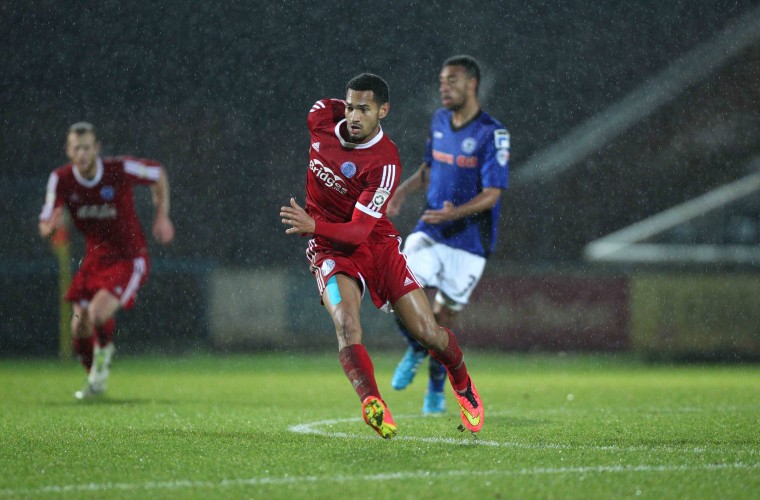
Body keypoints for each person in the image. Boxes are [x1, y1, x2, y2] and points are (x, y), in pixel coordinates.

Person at [280, 73, 483, 438]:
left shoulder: (385, 162)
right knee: (346, 323)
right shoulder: (321, 117)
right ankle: (373, 403)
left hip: (377, 247)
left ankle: (463, 383)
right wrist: (318, 230)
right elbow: (329, 110)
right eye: (350, 106)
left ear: (383, 111)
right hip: (330, 251)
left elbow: (359, 231)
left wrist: (314, 224)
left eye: (364, 109)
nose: (353, 116)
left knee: (428, 333)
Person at [386, 55, 509, 415]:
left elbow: (493, 193)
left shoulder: (492, 133)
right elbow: (429, 168)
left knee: (442, 321)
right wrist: (401, 193)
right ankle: (415, 346)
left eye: (452, 80)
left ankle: (436, 392)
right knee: (397, 288)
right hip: (431, 231)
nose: (444, 87)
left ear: (472, 84)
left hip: (470, 243)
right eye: (441, 80)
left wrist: (455, 211)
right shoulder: (439, 121)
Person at [39, 122, 175, 399]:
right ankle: (95, 377)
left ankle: (104, 355)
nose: (82, 153)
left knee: (98, 314)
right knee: (79, 324)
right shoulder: (61, 179)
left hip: (128, 258)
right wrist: (50, 227)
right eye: (77, 147)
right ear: (68, 150)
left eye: (87, 147)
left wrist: (161, 215)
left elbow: (157, 173)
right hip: (94, 260)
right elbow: (45, 220)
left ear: (96, 149)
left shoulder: (119, 169)